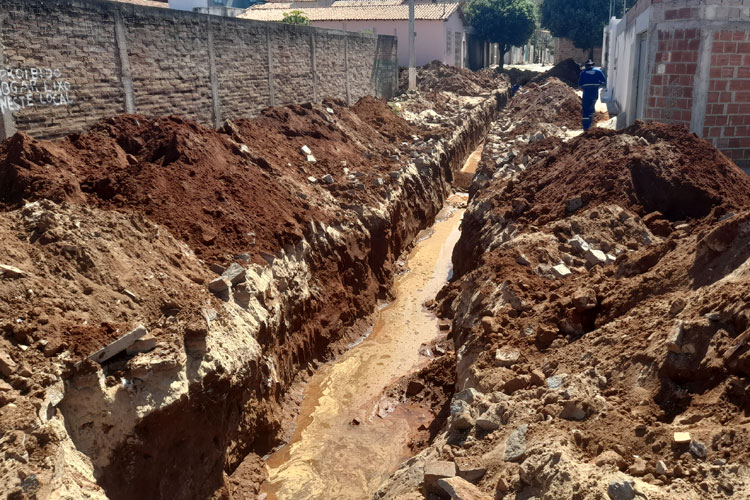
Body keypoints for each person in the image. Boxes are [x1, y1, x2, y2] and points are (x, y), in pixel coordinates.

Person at [578, 59, 607, 131]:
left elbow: (580, 84)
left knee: (585, 110)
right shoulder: (598, 71)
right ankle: (590, 125)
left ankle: (585, 127)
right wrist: (597, 84)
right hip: (594, 94)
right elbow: (603, 81)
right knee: (591, 108)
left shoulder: (583, 72)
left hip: (586, 94)